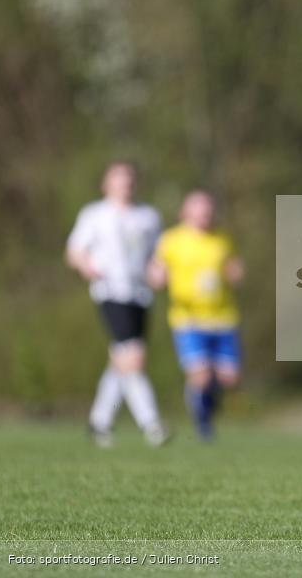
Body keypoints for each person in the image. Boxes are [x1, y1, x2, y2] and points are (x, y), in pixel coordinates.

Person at [66, 162, 169, 447]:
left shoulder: (148, 216)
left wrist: (158, 271)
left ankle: (99, 423)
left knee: (121, 360)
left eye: (129, 180)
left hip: (140, 295)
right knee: (133, 358)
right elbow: (74, 250)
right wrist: (85, 265)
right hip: (110, 291)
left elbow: (157, 255)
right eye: (118, 180)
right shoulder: (95, 214)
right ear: (106, 184)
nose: (125, 185)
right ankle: (152, 424)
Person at [148, 191, 244, 441]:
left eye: (208, 211)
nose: (205, 216)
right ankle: (202, 421)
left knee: (229, 378)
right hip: (188, 318)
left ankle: (207, 405)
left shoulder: (221, 239)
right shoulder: (172, 240)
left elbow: (232, 267)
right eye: (199, 211)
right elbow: (156, 268)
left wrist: (235, 272)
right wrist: (156, 276)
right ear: (186, 213)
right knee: (200, 376)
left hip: (223, 317)